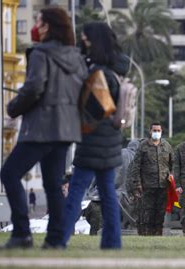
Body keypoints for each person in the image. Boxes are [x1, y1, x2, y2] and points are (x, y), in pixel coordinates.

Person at [0, 7, 87, 249]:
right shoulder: (76, 56)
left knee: (9, 173)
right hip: (66, 129)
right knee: (52, 184)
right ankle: (56, 239)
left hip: (41, 127)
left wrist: (13, 107)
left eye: (37, 21)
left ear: (47, 26)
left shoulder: (40, 54)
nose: (35, 25)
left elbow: (34, 87)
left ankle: (22, 233)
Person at [62, 22, 129, 249]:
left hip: (93, 141)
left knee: (76, 191)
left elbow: (98, 108)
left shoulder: (98, 73)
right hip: (109, 141)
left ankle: (59, 238)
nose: (82, 40)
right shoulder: (114, 69)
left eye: (85, 38)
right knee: (108, 195)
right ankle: (113, 242)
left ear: (95, 41)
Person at [128, 123, 173, 236]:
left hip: (162, 185)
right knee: (146, 212)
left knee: (160, 212)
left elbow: (173, 164)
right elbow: (136, 166)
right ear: (150, 131)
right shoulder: (143, 146)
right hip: (146, 186)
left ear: (161, 131)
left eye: (158, 130)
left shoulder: (166, 146)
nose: (156, 132)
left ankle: (158, 234)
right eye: (154, 130)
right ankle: (145, 234)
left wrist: (172, 175)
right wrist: (137, 184)